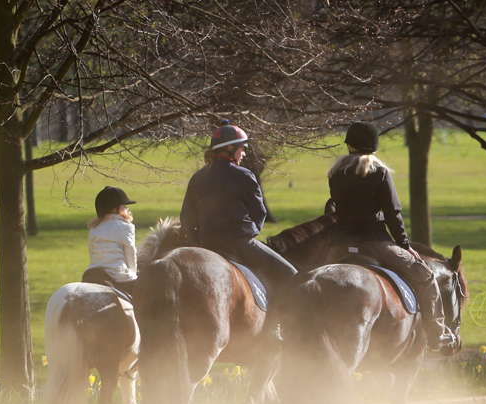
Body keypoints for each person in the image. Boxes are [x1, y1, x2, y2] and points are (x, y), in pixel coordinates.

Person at [324, 121, 456, 351]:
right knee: (425, 276)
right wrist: (405, 246)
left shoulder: (336, 173)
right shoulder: (379, 172)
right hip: (374, 242)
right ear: (373, 145)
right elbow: (393, 214)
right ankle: (436, 334)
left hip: (339, 245)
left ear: (349, 144)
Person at [180, 120, 297, 285]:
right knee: (292, 274)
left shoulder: (198, 177)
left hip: (207, 243)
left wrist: (197, 241)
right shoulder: (244, 175)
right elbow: (259, 212)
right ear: (230, 148)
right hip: (240, 243)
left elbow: (186, 217)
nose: (244, 154)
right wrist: (250, 233)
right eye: (242, 149)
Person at [86, 186, 138, 296]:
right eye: (123, 205)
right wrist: (133, 274)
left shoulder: (94, 227)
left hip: (93, 272)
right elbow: (130, 252)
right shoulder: (126, 226)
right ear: (114, 208)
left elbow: (91, 252)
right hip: (117, 275)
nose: (126, 208)